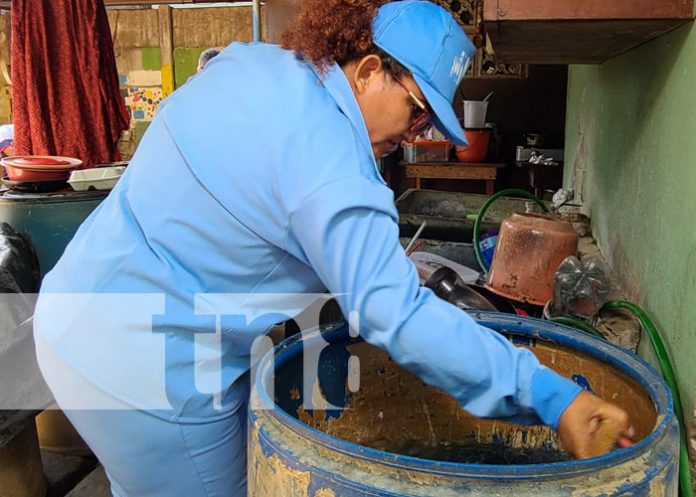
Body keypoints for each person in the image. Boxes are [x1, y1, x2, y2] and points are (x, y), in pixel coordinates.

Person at [33, 1, 633, 496]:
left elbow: (249, 197)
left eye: (431, 127)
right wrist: (554, 399)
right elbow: (397, 318)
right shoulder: (337, 174)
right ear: (370, 69)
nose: (415, 134)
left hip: (74, 311)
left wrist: (359, 262)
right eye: (418, 110)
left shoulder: (256, 64)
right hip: (146, 372)